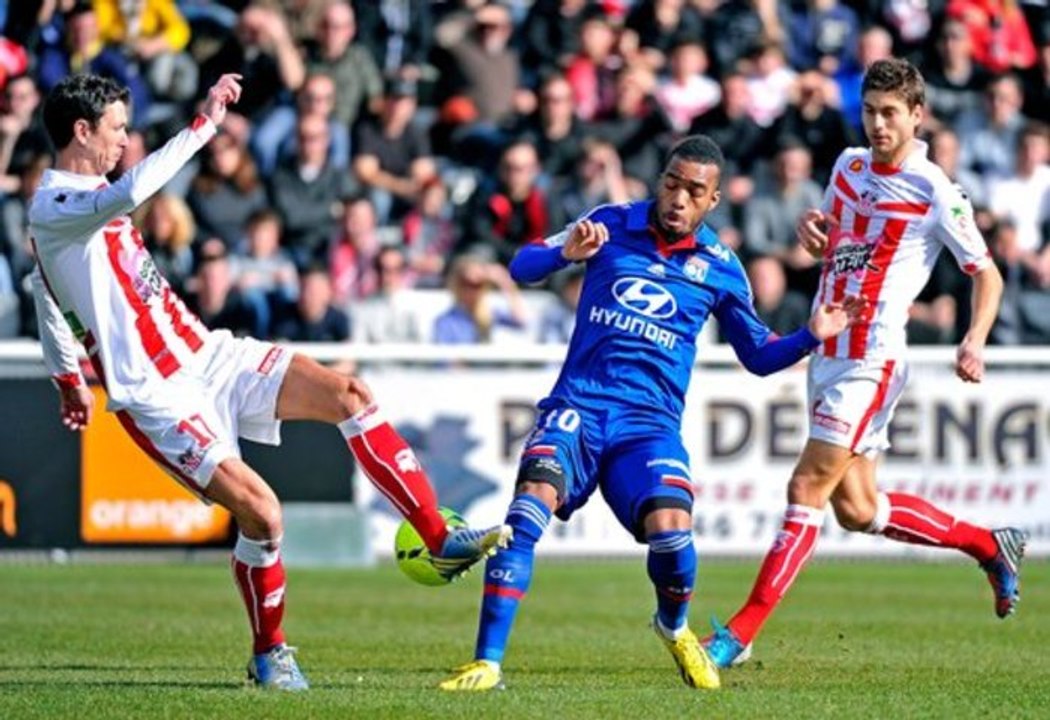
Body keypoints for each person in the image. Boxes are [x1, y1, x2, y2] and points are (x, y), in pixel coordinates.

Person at [28, 73, 510, 691]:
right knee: (263, 515)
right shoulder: (56, 206)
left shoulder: (83, 204)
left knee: (350, 394)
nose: (125, 140)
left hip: (207, 354)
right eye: (118, 129)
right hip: (157, 396)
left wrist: (67, 375)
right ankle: (270, 653)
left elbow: (44, 288)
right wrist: (205, 123)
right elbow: (126, 198)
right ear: (81, 131)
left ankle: (439, 537)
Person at [439, 135, 865, 692]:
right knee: (524, 516)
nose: (678, 199)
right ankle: (487, 663)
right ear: (659, 181)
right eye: (671, 184)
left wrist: (811, 334)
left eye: (694, 191)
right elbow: (522, 266)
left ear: (713, 200)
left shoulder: (721, 267)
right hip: (578, 408)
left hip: (648, 427)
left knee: (673, 538)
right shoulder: (609, 223)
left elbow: (759, 356)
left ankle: (673, 627)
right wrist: (565, 255)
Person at [702, 58, 1029, 671]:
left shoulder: (935, 190)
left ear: (917, 116)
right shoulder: (848, 166)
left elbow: (987, 274)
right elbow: (837, 244)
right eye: (870, 112)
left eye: (890, 114)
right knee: (858, 510)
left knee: (806, 486)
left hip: (872, 358)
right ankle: (990, 544)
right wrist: (815, 236)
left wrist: (974, 339)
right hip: (827, 351)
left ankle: (738, 636)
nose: (878, 125)